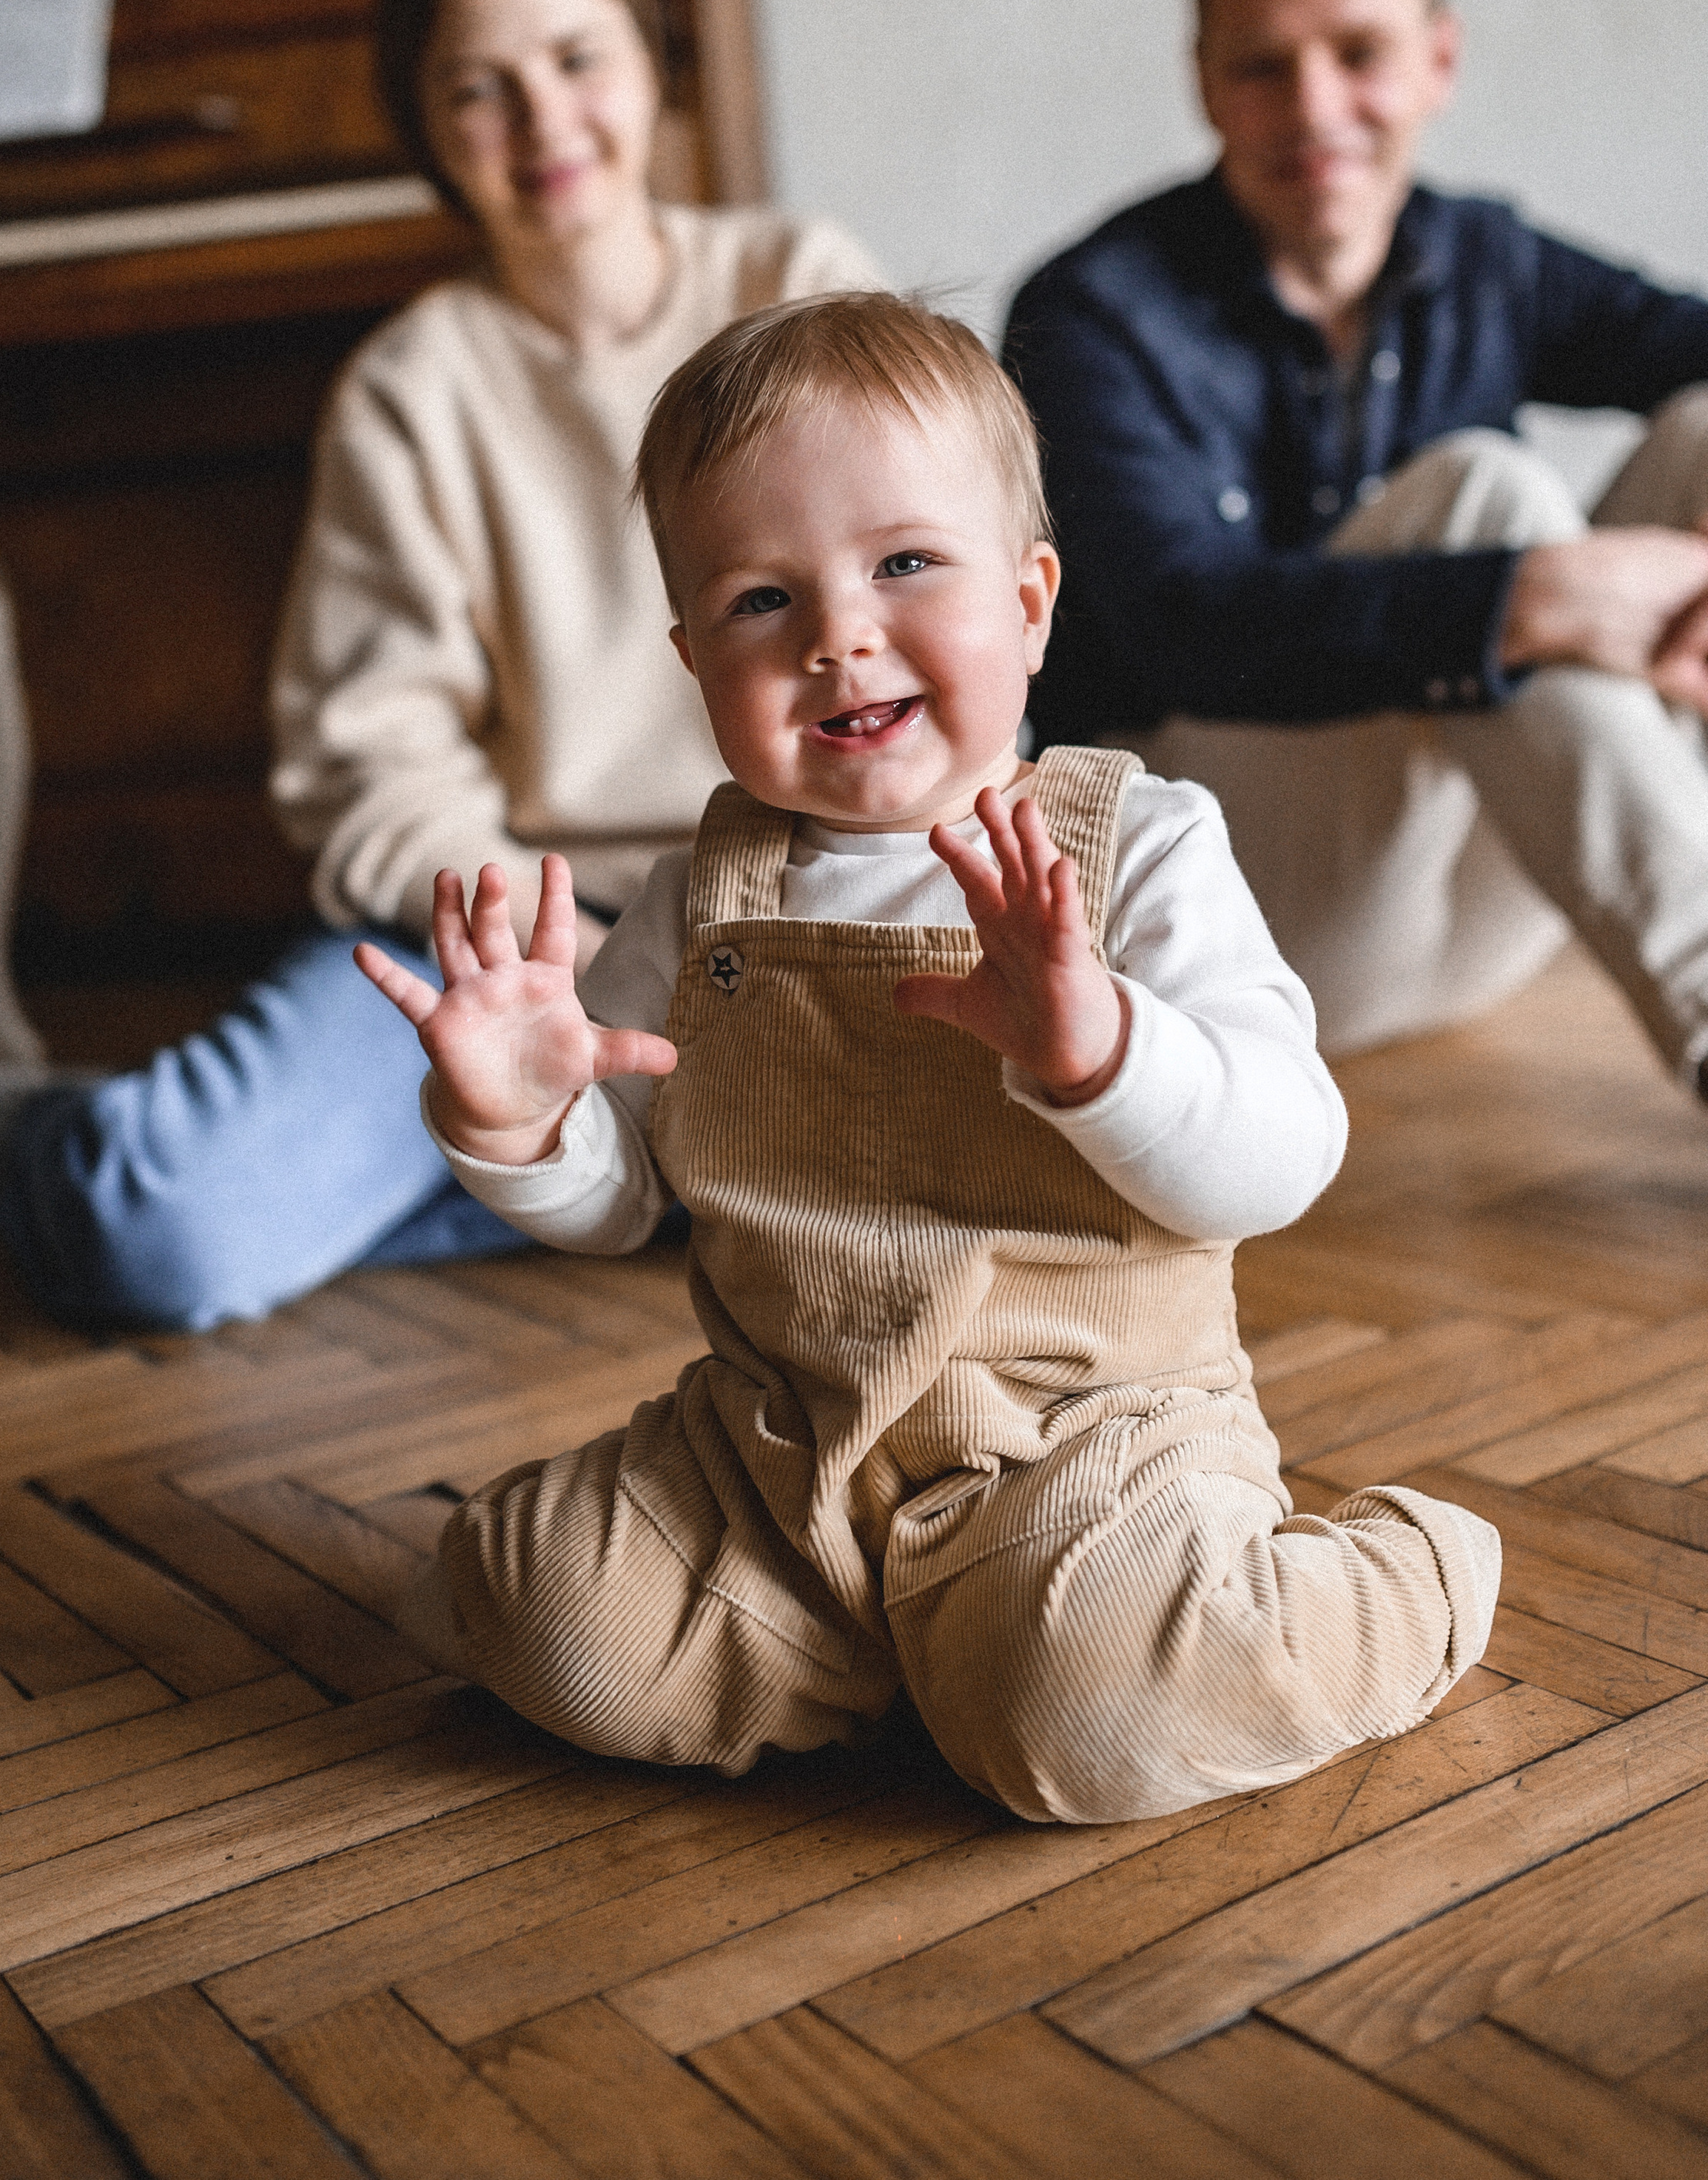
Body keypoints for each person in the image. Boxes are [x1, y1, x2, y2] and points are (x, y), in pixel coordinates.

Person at [361, 295, 1499, 1826]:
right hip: (776, 1455)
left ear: (1030, 604)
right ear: (694, 659)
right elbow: (623, 1201)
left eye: (903, 564)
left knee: (1093, 1724)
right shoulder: (705, 894)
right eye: (762, 599)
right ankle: (892, 1648)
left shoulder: (1133, 844)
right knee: (544, 1609)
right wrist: (519, 1120)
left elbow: (1285, 1152)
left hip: (1087, 1441)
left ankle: (1403, 1581)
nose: (836, 634)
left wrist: (1101, 1051)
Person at [0, 0, 884, 1329]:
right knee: (157, 1237)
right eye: (479, 90)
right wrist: (572, 970)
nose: (543, 123)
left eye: (576, 59)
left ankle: (514, 1167)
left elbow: (917, 625)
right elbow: (371, 768)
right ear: (427, 132)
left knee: (910, 1182)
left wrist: (728, 958)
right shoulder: (412, 385)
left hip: (781, 922)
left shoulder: (799, 284)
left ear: (646, 61)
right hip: (506, 932)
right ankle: (64, 1129)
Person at [1006, 0, 1708, 1072]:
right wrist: (1528, 594)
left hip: (1484, 914)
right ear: (1207, 86)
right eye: (1265, 66)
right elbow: (1181, 620)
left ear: (1440, 58)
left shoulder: (1486, 259)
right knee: (1487, 494)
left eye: (1361, 53)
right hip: (1222, 937)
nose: (1316, 108)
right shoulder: (1090, 314)